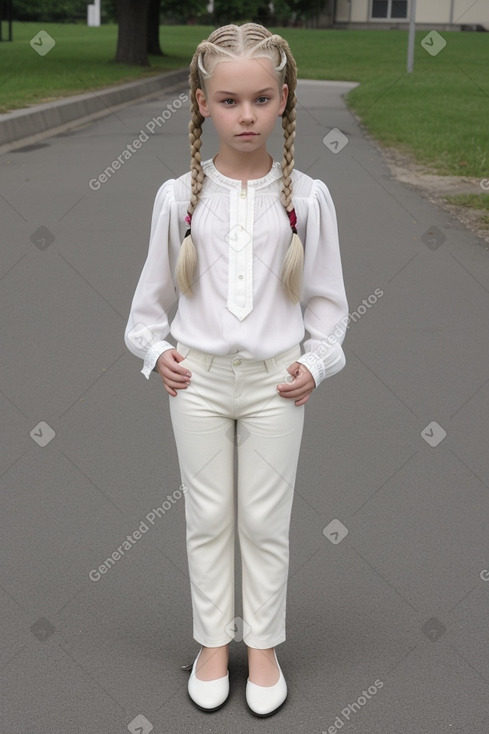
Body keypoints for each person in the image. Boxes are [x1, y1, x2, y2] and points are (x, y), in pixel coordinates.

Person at [124, 22, 348, 718]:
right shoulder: (179, 199)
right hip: (197, 382)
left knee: (263, 519)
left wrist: (315, 362)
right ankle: (213, 645)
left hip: (276, 384)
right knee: (209, 515)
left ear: (283, 99)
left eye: (258, 99)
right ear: (200, 104)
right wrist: (157, 353)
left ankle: (266, 648)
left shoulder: (306, 198)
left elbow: (329, 305)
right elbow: (146, 309)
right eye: (227, 101)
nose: (244, 115)